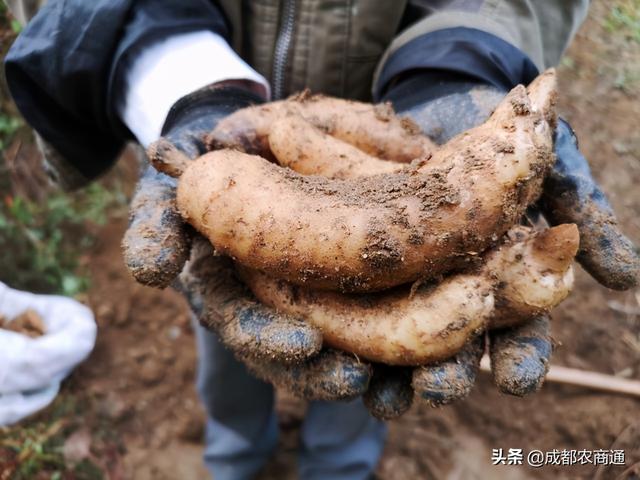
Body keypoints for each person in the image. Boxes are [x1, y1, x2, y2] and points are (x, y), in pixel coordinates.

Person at [4, 1, 638, 479]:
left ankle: (336, 467)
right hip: (233, 152)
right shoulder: (223, 175)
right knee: (235, 333)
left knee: (365, 378)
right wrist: (180, 76)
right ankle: (234, 456)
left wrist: (460, 59)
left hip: (396, 114)